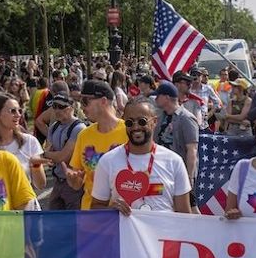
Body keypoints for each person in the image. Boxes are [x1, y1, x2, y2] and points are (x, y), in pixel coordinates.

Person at [90, 102, 192, 214]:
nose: (136, 127)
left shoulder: (174, 161)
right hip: (125, 231)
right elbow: (95, 209)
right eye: (129, 123)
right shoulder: (107, 161)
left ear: (154, 122)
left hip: (164, 231)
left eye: (142, 121)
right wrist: (111, 210)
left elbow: (184, 214)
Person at [65, 80, 126, 210]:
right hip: (91, 213)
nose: (81, 107)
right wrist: (73, 181)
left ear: (103, 101)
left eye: (85, 101)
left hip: (123, 214)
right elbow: (77, 181)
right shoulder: (84, 135)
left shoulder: (129, 132)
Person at [0, 92, 47, 196]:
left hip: (25, 206)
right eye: (13, 111)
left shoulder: (29, 141)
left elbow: (41, 185)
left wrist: (36, 165)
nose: (18, 115)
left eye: (19, 110)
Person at [152, 81, 199, 187]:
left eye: (158, 96)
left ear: (166, 98)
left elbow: (192, 150)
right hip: (160, 172)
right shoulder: (160, 118)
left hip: (178, 174)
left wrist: (189, 178)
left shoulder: (186, 118)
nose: (155, 99)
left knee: (181, 203)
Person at [43, 93, 86, 210]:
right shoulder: (54, 126)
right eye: (54, 106)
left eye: (61, 107)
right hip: (58, 181)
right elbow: (48, 151)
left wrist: (46, 155)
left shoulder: (79, 128)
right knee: (53, 219)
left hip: (73, 183)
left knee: (73, 222)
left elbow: (62, 157)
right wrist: (48, 155)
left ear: (71, 108)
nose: (57, 110)